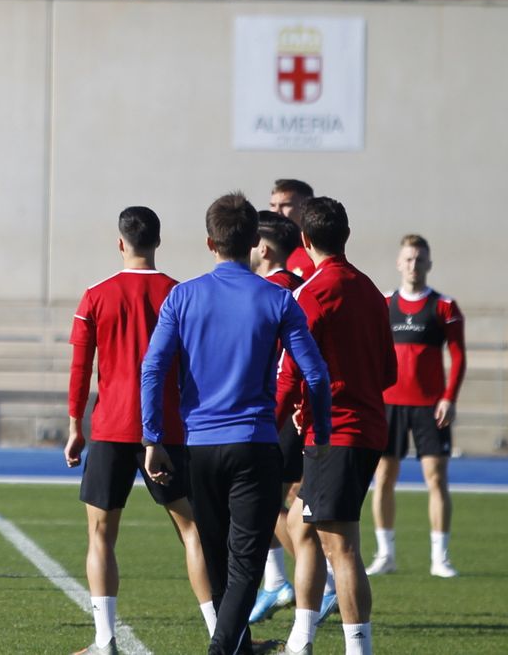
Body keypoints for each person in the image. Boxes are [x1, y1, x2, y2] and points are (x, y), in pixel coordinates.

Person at [141, 193, 332, 655]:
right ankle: (224, 648)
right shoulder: (278, 298)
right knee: (246, 562)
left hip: (200, 448)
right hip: (254, 444)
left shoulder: (182, 296)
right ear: (252, 242)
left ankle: (229, 646)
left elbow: (152, 369)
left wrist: (152, 438)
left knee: (220, 555)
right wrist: (319, 436)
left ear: (210, 242)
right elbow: (316, 374)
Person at [65, 206, 214, 655]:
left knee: (101, 536)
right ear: (158, 241)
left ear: (120, 242)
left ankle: (105, 641)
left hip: (110, 427)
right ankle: (221, 635)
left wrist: (75, 425)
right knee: (193, 532)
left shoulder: (95, 294)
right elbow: (197, 365)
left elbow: (80, 368)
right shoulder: (182, 292)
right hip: (167, 431)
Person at [275, 197, 397, 655]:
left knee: (340, 547)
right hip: (363, 428)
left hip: (336, 433)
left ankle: (357, 648)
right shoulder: (369, 291)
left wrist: (273, 419)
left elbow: (291, 369)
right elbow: (389, 373)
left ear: (305, 240)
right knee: (300, 525)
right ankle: (301, 638)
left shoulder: (312, 291)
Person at [367, 234, 466, 579]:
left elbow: (458, 356)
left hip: (429, 407)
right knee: (383, 478)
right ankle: (386, 553)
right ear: (399, 263)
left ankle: (440, 557)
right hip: (389, 404)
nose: (413, 265)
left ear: (429, 264)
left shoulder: (444, 306)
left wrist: (449, 397)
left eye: (420, 259)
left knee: (436, 479)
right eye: (408, 259)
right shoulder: (383, 303)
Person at [248, 211, 304, 624]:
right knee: (274, 503)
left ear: (263, 249)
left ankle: (313, 582)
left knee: (262, 504)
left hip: (274, 414)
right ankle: (277, 582)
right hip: (291, 412)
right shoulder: (300, 288)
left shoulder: (269, 293)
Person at [268, 180, 316, 280]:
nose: (276, 211)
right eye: (273, 205)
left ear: (305, 208)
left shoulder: (317, 252)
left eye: (285, 205)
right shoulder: (261, 250)